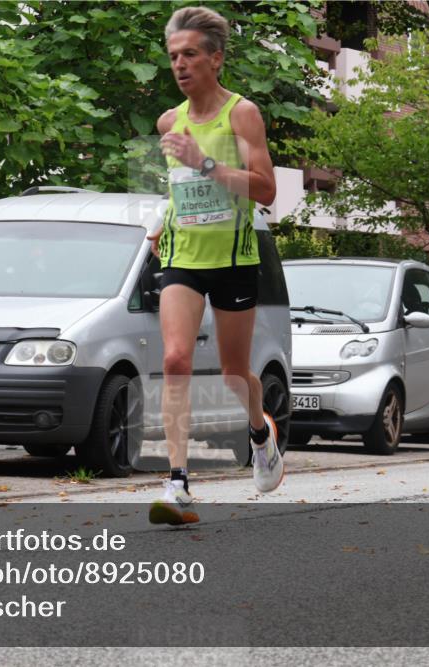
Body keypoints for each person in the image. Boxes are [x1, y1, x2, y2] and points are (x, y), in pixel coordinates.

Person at [146, 6, 283, 526]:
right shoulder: (168, 122)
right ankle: (178, 482)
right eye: (174, 56)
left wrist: (204, 160)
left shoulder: (241, 115)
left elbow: (267, 189)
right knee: (176, 358)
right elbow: (179, 188)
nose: (180, 65)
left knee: (232, 373)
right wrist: (161, 224)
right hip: (184, 257)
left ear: (216, 58)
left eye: (191, 55)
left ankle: (259, 430)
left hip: (233, 258)